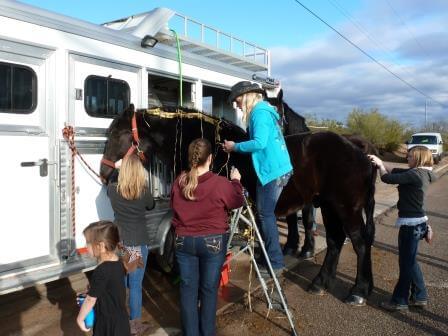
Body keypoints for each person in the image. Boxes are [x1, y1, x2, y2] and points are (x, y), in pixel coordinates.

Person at [171, 138, 244, 336]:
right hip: (212, 242)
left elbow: (174, 208)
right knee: (209, 291)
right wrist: (236, 180)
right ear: (210, 158)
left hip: (183, 240)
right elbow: (238, 200)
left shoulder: (179, 181)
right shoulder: (220, 183)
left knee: (187, 291)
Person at [222, 81, 293, 277]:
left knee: (265, 215)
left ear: (246, 96)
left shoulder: (259, 114)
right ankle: (270, 256)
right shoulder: (263, 111)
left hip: (272, 172)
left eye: (236, 100)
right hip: (277, 168)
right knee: (265, 215)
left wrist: (234, 147)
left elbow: (260, 143)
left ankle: (276, 263)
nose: (235, 104)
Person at [369, 146, 436, 312]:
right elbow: (396, 170)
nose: (407, 158)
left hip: (410, 224)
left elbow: (387, 178)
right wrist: (381, 162)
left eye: (410, 156)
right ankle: (420, 296)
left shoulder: (414, 174)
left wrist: (380, 167)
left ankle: (400, 301)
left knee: (406, 264)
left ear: (419, 158)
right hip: (418, 222)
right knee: (410, 261)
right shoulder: (423, 173)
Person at [107, 154, 155, 335]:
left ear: (123, 170)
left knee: (121, 284)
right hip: (137, 244)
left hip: (119, 243)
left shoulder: (113, 190)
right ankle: (134, 326)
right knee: (135, 286)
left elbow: (108, 184)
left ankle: (118, 320)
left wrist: (116, 168)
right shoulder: (143, 191)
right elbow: (151, 205)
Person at [77, 221, 131, 335]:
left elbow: (90, 300)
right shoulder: (118, 261)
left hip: (107, 323)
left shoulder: (102, 270)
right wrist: (91, 290)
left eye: (88, 243)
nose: (85, 246)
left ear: (101, 246)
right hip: (121, 321)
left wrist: (80, 319)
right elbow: (109, 287)